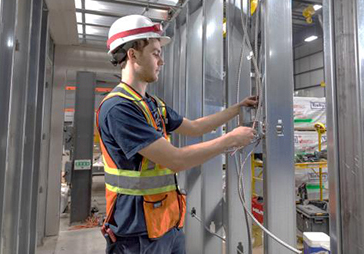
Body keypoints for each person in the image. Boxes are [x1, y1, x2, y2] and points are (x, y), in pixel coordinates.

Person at [97, 14, 257, 254]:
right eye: (155, 53)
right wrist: (230, 140)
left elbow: (194, 127)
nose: (161, 61)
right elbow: (175, 160)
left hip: (167, 222)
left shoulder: (151, 104)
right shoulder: (119, 108)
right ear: (132, 55)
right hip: (137, 234)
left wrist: (237, 109)